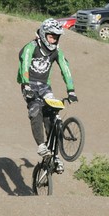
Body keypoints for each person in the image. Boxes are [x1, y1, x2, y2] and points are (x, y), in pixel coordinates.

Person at [17, 18, 78, 173]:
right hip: (29, 84)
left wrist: (71, 90)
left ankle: (55, 155)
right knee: (35, 109)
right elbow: (24, 63)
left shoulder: (56, 51)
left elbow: (65, 69)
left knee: (52, 116)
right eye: (51, 36)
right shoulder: (32, 47)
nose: (54, 39)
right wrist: (25, 84)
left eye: (56, 37)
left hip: (45, 87)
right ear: (44, 34)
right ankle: (42, 146)